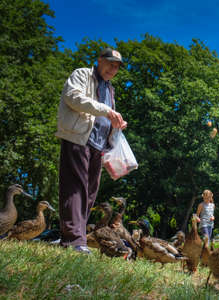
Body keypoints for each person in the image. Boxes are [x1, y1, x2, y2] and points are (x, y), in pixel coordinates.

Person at [55, 48, 127, 254]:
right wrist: (107, 111)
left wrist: (117, 124)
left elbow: (106, 115)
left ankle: (77, 237)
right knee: (75, 188)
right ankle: (73, 240)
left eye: (117, 66)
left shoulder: (109, 88)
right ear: (99, 61)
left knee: (90, 193)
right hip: (78, 138)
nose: (114, 69)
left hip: (98, 145)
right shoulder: (81, 75)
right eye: (110, 63)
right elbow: (73, 98)